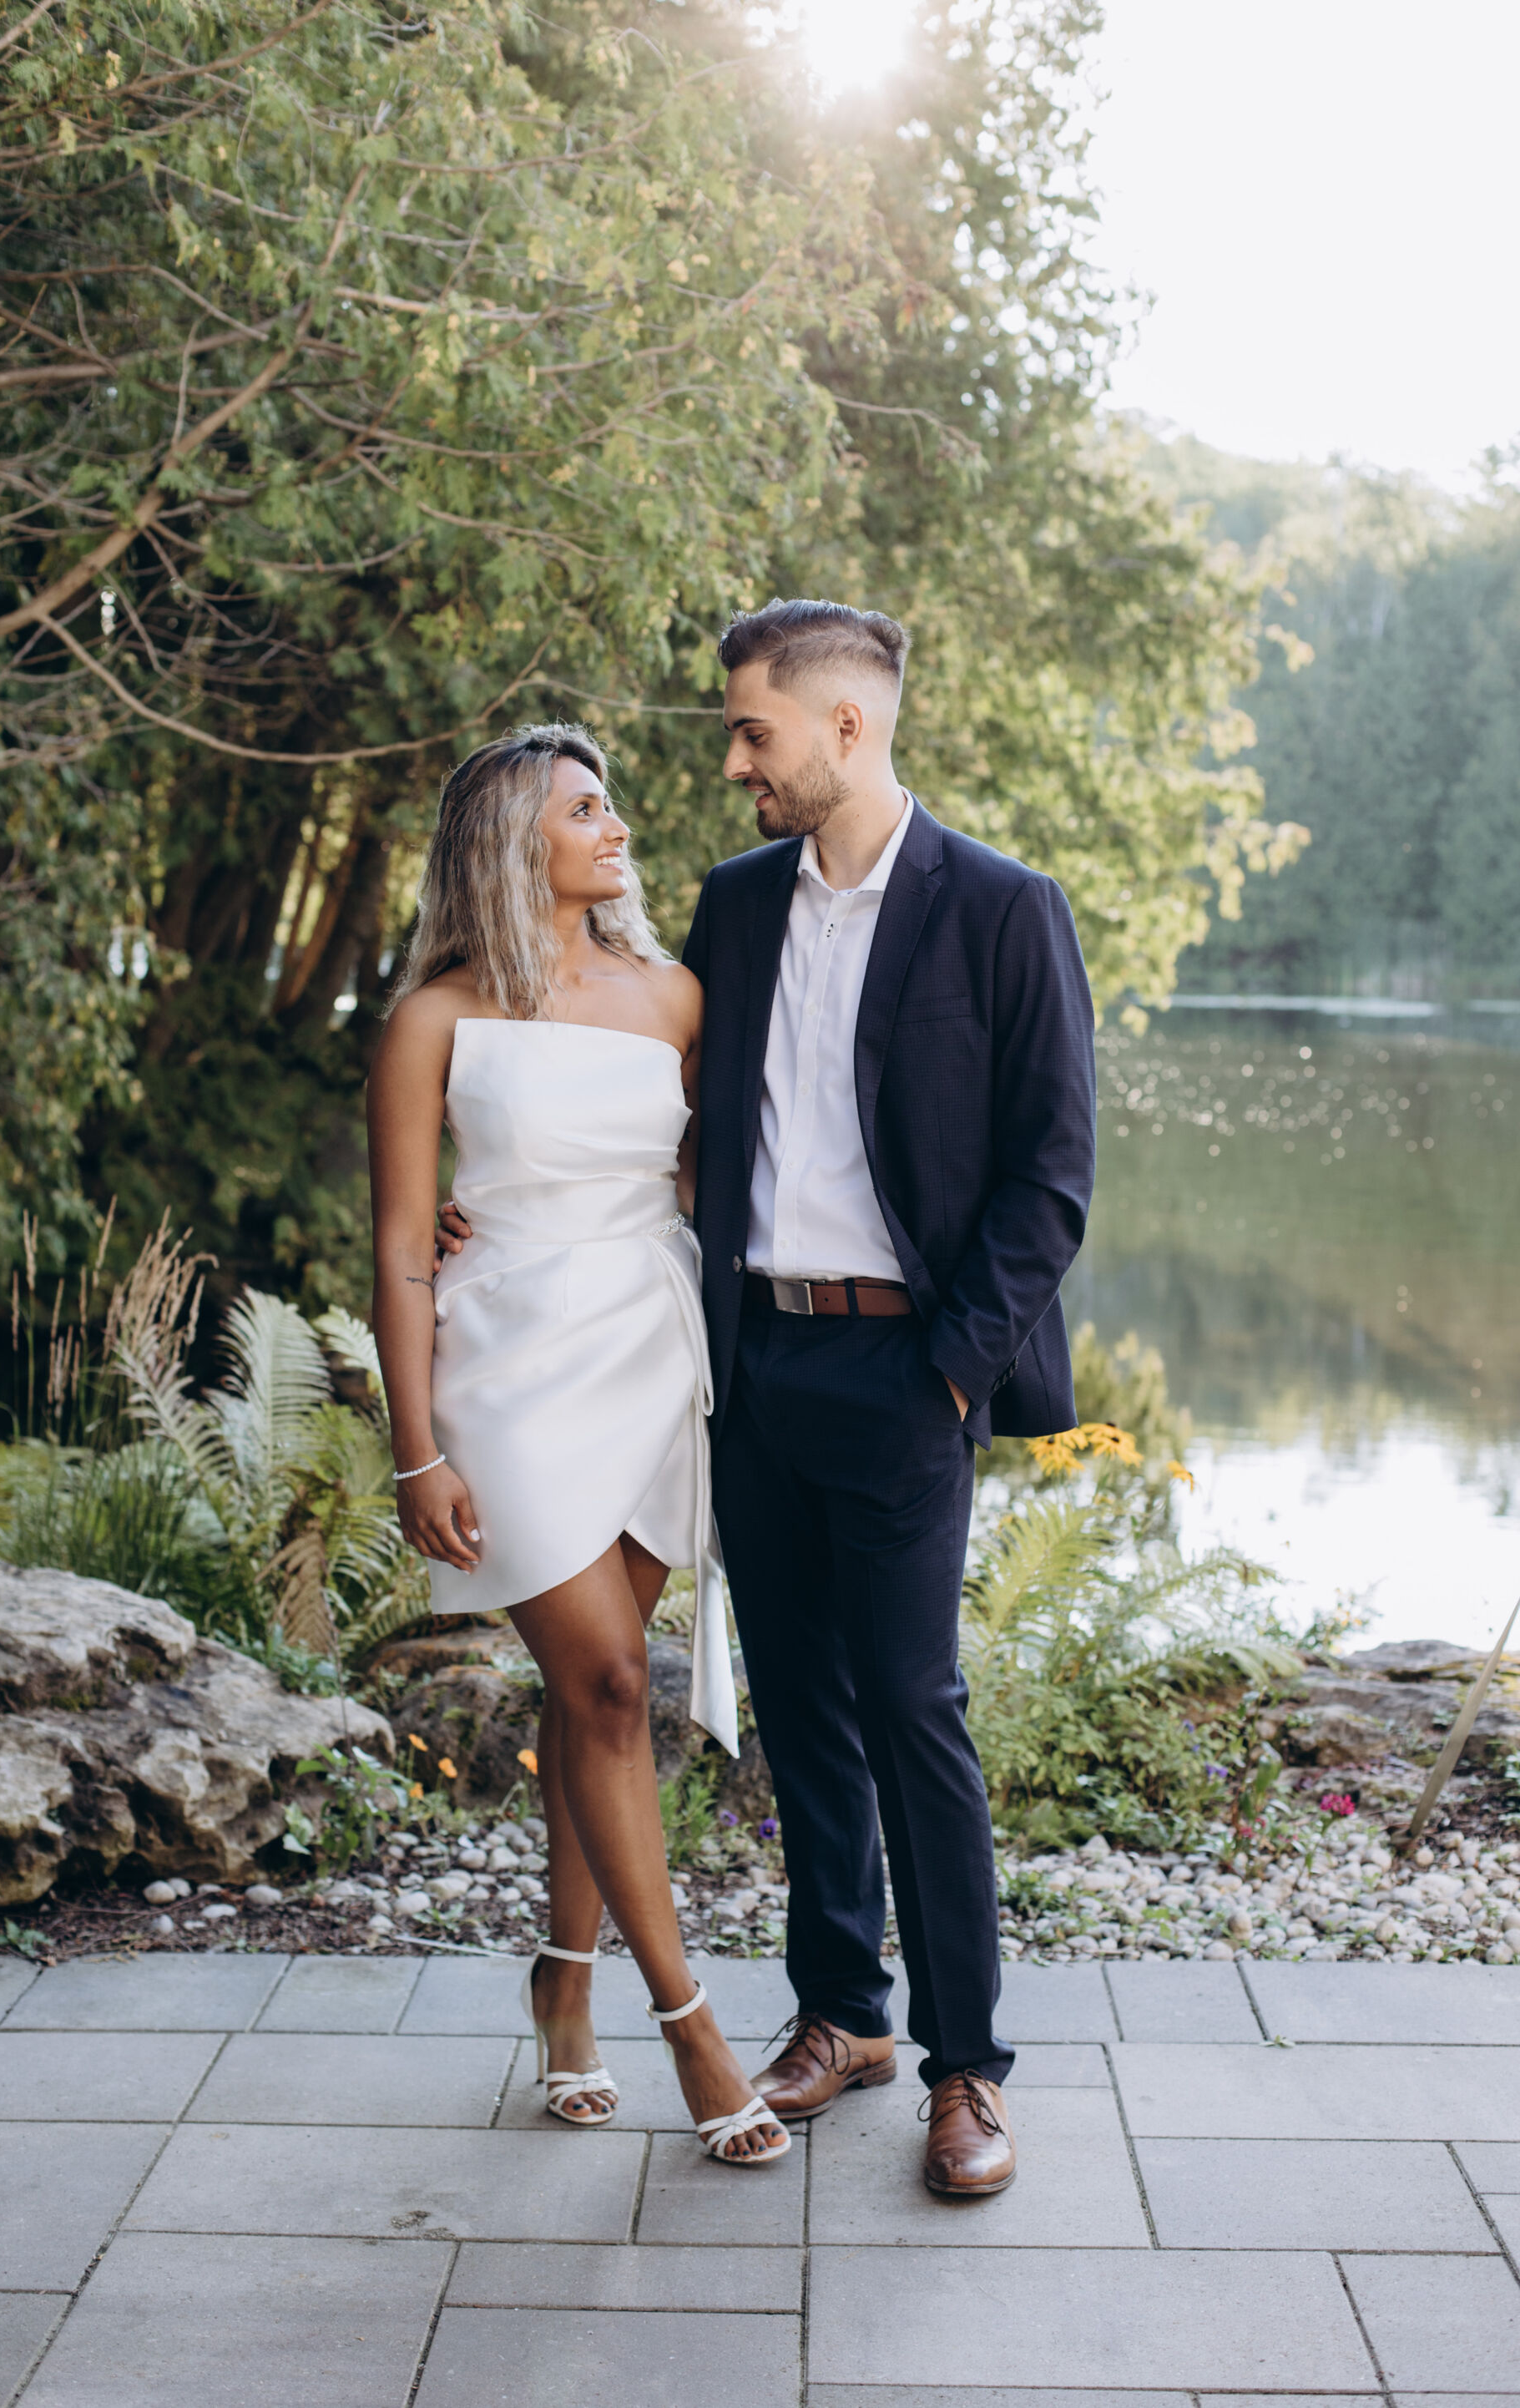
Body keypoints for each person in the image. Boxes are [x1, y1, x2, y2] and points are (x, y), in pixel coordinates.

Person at [681, 599, 1096, 2198]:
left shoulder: (1001, 907)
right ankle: (845, 2014)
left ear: (845, 727)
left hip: (906, 1371)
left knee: (916, 1712)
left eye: (754, 732)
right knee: (800, 1704)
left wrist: (950, 1371)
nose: (736, 763)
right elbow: (672, 1119)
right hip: (759, 1361)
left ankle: (967, 2066)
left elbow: (1050, 1174)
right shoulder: (735, 908)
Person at [369, 721, 789, 2168]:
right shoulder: (433, 1019)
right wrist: (417, 1451)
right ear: (511, 841)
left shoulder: (675, 996)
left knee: (588, 1697)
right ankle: (691, 2027)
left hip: (650, 1353)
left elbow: (716, 1178)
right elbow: (402, 1245)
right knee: (610, 1681)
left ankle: (564, 1979)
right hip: (508, 1366)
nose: (617, 830)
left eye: (610, 809)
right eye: (586, 810)